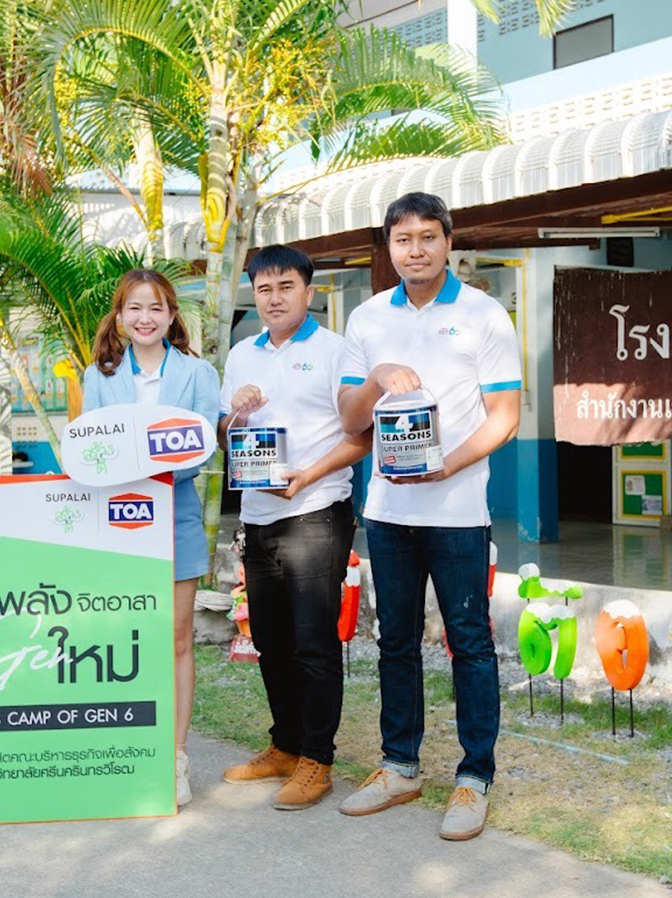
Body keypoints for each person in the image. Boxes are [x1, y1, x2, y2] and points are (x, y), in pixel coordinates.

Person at [336, 193, 521, 840]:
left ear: (448, 242)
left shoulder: (484, 314)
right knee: (394, 641)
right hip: (387, 509)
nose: (414, 249)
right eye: (402, 239)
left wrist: (450, 465)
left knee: (469, 642)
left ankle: (475, 779)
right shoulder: (365, 319)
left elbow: (506, 416)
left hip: (458, 509)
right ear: (389, 246)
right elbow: (352, 419)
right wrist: (378, 375)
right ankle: (399, 766)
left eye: (426, 237)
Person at [216, 245, 368, 809]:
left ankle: (317, 760)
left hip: (317, 510)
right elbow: (225, 433)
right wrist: (235, 412)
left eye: (286, 287)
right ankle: (284, 744)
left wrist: (306, 477)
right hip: (258, 515)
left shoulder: (335, 352)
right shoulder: (240, 355)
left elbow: (360, 435)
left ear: (310, 292)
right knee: (271, 640)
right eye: (264, 289)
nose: (274, 298)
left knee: (312, 641)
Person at [81, 269, 219, 808]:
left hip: (177, 511)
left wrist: (155, 470)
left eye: (157, 308)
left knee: (177, 638)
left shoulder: (198, 373)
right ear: (120, 316)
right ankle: (128, 753)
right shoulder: (100, 374)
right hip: (119, 517)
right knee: (125, 637)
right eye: (135, 308)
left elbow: (202, 446)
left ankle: (174, 757)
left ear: (171, 316)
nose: (145, 318)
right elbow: (94, 446)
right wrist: (132, 469)